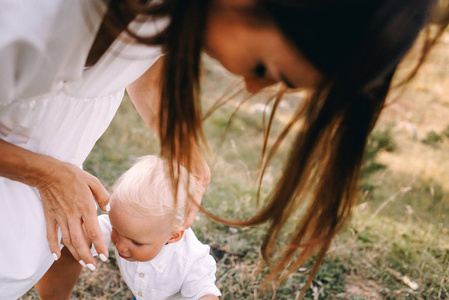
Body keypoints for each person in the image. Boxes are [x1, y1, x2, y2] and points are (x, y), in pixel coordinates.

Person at [0, 0, 447, 298]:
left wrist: (178, 134)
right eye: (263, 68)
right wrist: (48, 174)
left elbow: (135, 56)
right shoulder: (43, 21)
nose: (252, 86)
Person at [36, 155, 221, 299]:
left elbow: (204, 293)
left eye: (136, 242)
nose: (120, 245)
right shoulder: (125, 226)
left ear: (173, 236)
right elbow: (88, 235)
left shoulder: (191, 260)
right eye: (116, 231)